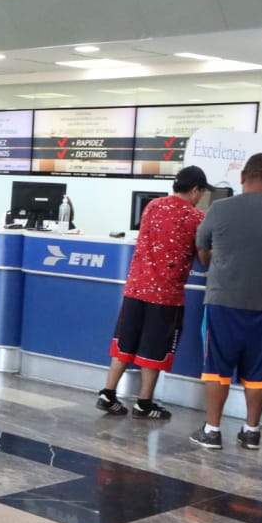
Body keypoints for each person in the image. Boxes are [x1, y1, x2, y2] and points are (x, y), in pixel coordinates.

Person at [189, 153, 262, 449]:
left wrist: (217, 258)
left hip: (224, 299)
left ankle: (212, 431)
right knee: (261, 370)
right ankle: (251, 432)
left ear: (242, 177)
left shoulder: (220, 208)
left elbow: (202, 249)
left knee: (217, 366)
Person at [97, 166, 211, 420]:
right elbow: (204, 257)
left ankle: (108, 393)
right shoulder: (197, 218)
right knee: (154, 350)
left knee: (124, 343)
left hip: (136, 288)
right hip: (166, 296)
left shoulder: (152, 206)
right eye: (201, 192)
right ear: (195, 190)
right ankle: (144, 403)